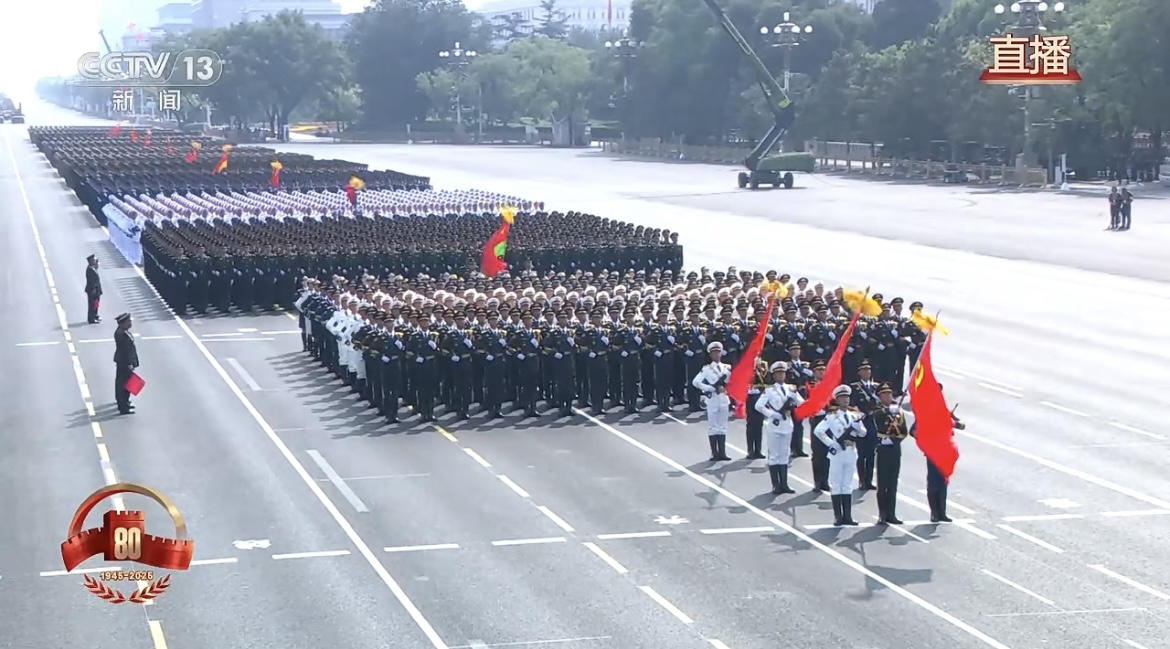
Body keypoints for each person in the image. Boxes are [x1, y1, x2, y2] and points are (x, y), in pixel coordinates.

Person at [813, 385, 867, 526]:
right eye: (842, 397)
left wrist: (858, 428)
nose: (845, 400)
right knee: (836, 484)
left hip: (850, 452)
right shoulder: (832, 416)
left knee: (847, 485)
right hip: (837, 453)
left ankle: (848, 516)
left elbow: (864, 433)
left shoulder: (855, 415)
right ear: (837, 400)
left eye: (847, 397)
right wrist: (831, 444)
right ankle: (838, 516)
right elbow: (818, 431)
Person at [755, 361, 804, 495]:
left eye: (783, 373)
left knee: (785, 455)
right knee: (774, 456)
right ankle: (776, 485)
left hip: (787, 423)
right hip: (775, 424)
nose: (781, 375)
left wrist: (795, 397)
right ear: (774, 375)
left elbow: (802, 404)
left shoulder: (791, 389)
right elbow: (758, 406)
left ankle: (785, 484)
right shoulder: (770, 390)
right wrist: (773, 414)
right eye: (778, 373)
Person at [871, 383, 908, 525]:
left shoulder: (898, 411)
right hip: (883, 449)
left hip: (894, 448)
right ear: (879, 397)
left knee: (893, 482)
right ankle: (882, 513)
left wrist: (896, 438)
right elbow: (878, 424)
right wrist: (888, 413)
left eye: (889, 394)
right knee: (883, 482)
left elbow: (903, 430)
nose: (888, 397)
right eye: (884, 395)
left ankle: (891, 513)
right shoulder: (878, 411)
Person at [692, 341, 732, 462]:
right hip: (713, 399)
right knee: (713, 426)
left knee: (722, 426)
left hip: (724, 398)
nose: (717, 355)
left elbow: (731, 382)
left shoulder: (727, 368)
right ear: (710, 355)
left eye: (718, 352)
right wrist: (709, 388)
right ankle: (715, 453)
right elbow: (696, 382)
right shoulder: (707, 369)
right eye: (714, 353)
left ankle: (723, 453)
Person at [113, 313, 139, 414]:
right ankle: (123, 406)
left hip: (126, 362)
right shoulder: (121, 334)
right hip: (124, 363)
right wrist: (129, 364)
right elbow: (125, 351)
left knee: (127, 384)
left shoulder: (124, 332)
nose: (130, 323)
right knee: (123, 385)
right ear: (123, 323)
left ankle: (126, 402)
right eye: (128, 321)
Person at [85, 254, 102, 324]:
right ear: (91, 261)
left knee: (96, 304)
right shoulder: (90, 269)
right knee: (92, 304)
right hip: (92, 290)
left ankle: (95, 315)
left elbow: (97, 267)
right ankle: (91, 318)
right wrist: (94, 289)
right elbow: (92, 281)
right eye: (94, 260)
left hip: (96, 290)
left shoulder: (93, 267)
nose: (95, 260)